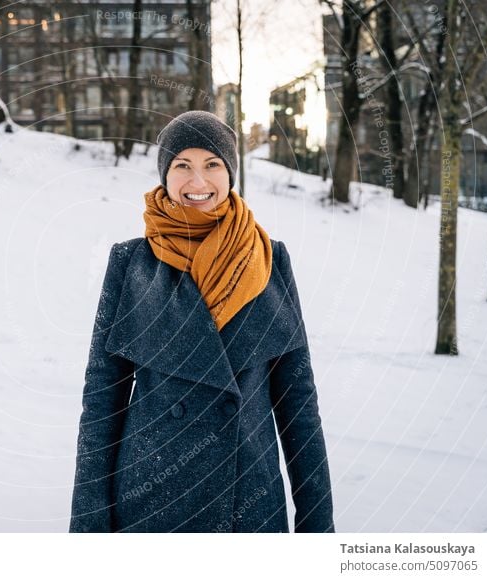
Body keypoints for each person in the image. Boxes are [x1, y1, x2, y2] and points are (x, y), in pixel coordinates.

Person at [68, 111, 335, 533]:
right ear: (165, 175)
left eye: (212, 165)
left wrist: (318, 529)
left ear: (230, 173)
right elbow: (102, 401)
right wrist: (88, 526)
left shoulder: (269, 260)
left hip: (247, 503)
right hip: (149, 500)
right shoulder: (131, 262)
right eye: (182, 166)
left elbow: (299, 406)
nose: (198, 183)